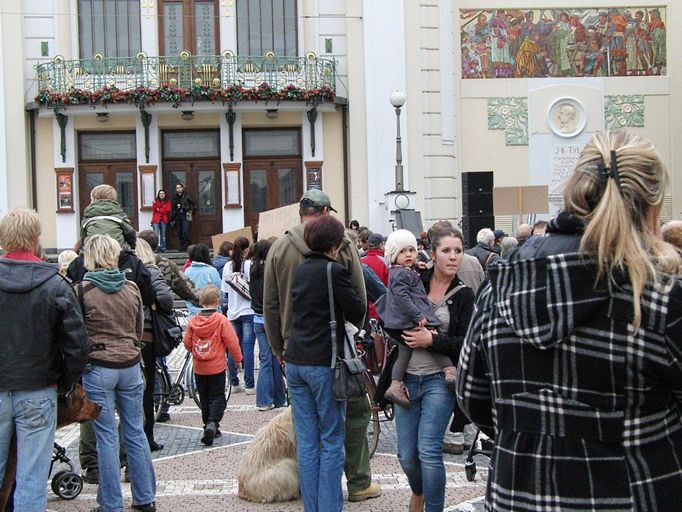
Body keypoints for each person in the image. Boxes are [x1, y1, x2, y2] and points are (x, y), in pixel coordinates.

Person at [457, 131, 682, 511]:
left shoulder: (501, 288)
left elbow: (472, 397)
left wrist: (538, 434)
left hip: (520, 494)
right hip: (636, 493)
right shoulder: (660, 299)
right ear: (652, 206)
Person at [264, 189, 382, 502]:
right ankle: (356, 483)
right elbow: (358, 295)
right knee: (348, 421)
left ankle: (312, 503)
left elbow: (271, 305)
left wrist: (277, 347)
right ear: (327, 211)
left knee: (306, 436)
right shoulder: (339, 246)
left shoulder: (279, 248)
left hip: (294, 351)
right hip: (329, 353)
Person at [0, 208, 89, 511]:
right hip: (39, 389)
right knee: (31, 478)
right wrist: (63, 384)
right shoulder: (55, 285)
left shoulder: (55, 284)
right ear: (36, 240)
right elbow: (77, 344)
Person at [286, 215, 365, 512]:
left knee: (307, 441)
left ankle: (313, 508)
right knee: (332, 439)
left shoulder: (301, 269)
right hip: (325, 361)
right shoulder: (335, 271)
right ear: (335, 244)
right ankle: (329, 508)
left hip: (296, 361)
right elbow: (356, 309)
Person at [393, 226, 475, 512]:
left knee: (428, 449)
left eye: (458, 251)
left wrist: (432, 340)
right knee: (406, 455)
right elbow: (393, 319)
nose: (453, 257)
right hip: (406, 378)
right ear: (434, 253)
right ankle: (419, 491)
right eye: (446, 251)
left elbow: (466, 343)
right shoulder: (413, 281)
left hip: (440, 379)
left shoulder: (464, 295)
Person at [78, 234, 156, 512]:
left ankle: (111, 503)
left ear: (90, 256)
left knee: (106, 437)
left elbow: (78, 335)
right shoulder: (131, 287)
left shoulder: (83, 290)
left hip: (99, 366)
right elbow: (138, 328)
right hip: (130, 364)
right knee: (135, 431)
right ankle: (145, 497)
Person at [375, 229, 457, 409]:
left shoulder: (402, 271)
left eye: (411, 250)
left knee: (405, 351)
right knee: (431, 339)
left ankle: (395, 384)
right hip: (408, 319)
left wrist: (418, 267)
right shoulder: (401, 274)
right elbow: (403, 297)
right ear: (394, 254)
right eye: (403, 252)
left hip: (401, 320)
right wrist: (418, 315)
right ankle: (450, 371)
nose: (409, 255)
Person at [138, 230, 198, 424]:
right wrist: (199, 300)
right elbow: (184, 286)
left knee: (151, 365)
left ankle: (158, 401)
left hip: (142, 323)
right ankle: (162, 403)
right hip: (159, 323)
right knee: (159, 361)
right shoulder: (163, 264)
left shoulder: (136, 264)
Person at [184, 285, 242, 446]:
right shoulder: (221, 320)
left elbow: (187, 342)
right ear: (217, 302)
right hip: (217, 366)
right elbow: (232, 342)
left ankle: (207, 425)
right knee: (218, 396)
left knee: (204, 397)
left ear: (201, 301)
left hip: (199, 366)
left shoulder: (194, 321)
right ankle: (213, 423)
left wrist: (195, 351)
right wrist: (238, 359)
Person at [135, 238, 175, 452]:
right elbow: (167, 299)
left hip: (129, 336)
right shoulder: (150, 271)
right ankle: (147, 436)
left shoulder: (125, 269)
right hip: (147, 335)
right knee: (147, 388)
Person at [249, 239, 287, 411]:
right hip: (270, 317)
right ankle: (265, 400)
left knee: (270, 358)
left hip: (257, 317)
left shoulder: (253, 268)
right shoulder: (270, 269)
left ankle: (278, 398)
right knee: (271, 358)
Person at [222, 237, 256, 394]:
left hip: (233, 311)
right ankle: (250, 384)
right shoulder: (249, 265)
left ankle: (234, 382)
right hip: (248, 310)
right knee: (248, 348)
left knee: (232, 347)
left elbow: (226, 291)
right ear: (246, 250)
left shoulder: (227, 266)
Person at [81, 184, 137, 249]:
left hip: (94, 252)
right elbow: (131, 235)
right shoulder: (119, 216)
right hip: (116, 252)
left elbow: (83, 238)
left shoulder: (88, 218)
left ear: (94, 200)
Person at [184, 243, 221, 317]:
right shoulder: (211, 271)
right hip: (211, 313)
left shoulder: (187, 271)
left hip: (193, 312)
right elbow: (219, 290)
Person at [361, 232, 388, 320]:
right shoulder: (386, 262)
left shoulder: (360, 262)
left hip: (364, 310)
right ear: (381, 245)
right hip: (382, 310)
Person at [171, 182, 196, 250]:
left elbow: (194, 204)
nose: (178, 189)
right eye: (177, 188)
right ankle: (182, 246)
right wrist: (172, 218)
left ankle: (187, 245)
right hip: (177, 215)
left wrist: (191, 211)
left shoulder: (187, 195)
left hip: (185, 215)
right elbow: (173, 208)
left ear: (182, 188)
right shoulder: (174, 197)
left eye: (179, 187)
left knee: (185, 230)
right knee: (180, 231)